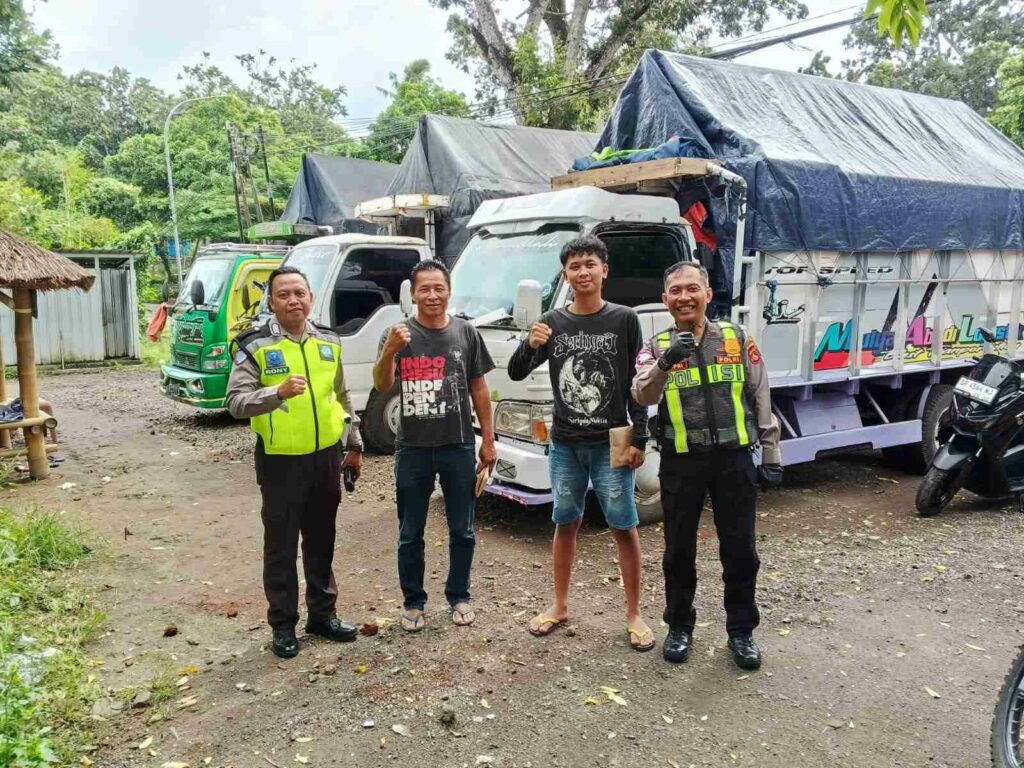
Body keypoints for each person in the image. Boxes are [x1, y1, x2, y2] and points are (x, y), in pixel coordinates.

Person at [507, 235, 655, 652]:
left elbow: (636, 385)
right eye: (574, 266)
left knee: (623, 526)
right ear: (566, 275)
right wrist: (529, 342)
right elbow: (517, 372)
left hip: (612, 439)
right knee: (565, 521)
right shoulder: (553, 322)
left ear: (604, 270)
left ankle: (633, 614)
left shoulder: (624, 319)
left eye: (590, 263)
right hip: (566, 442)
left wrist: (639, 436)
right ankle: (559, 605)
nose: (583, 272)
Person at [632, 261, 782, 670]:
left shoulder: (735, 338)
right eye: (675, 291)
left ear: (707, 294)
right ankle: (679, 626)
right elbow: (641, 395)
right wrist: (666, 364)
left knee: (740, 550)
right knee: (678, 551)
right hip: (681, 462)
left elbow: (760, 395)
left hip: (733, 459)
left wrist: (771, 455)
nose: (684, 297)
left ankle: (741, 631)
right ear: (665, 300)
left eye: (691, 289)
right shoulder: (656, 345)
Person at [225, 266, 364, 659]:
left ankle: (323, 615)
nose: (293, 300)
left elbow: (341, 395)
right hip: (280, 462)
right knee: (281, 548)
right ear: (271, 301)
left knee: (322, 542)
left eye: (299, 293)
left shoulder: (328, 341)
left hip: (325, 459)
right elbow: (235, 402)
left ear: (311, 297)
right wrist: (277, 393)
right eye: (283, 294)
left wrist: (353, 443)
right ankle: (283, 626)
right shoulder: (255, 345)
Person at [372, 259, 496, 632]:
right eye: (423, 288)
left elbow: (479, 388)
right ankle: (413, 601)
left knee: (463, 529)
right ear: (412, 293)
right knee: (411, 531)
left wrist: (488, 440)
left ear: (449, 290)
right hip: (412, 448)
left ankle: (459, 595)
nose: (432, 295)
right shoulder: (398, 334)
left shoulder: (466, 332)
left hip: (457, 445)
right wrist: (390, 351)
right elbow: (380, 385)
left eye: (438, 287)